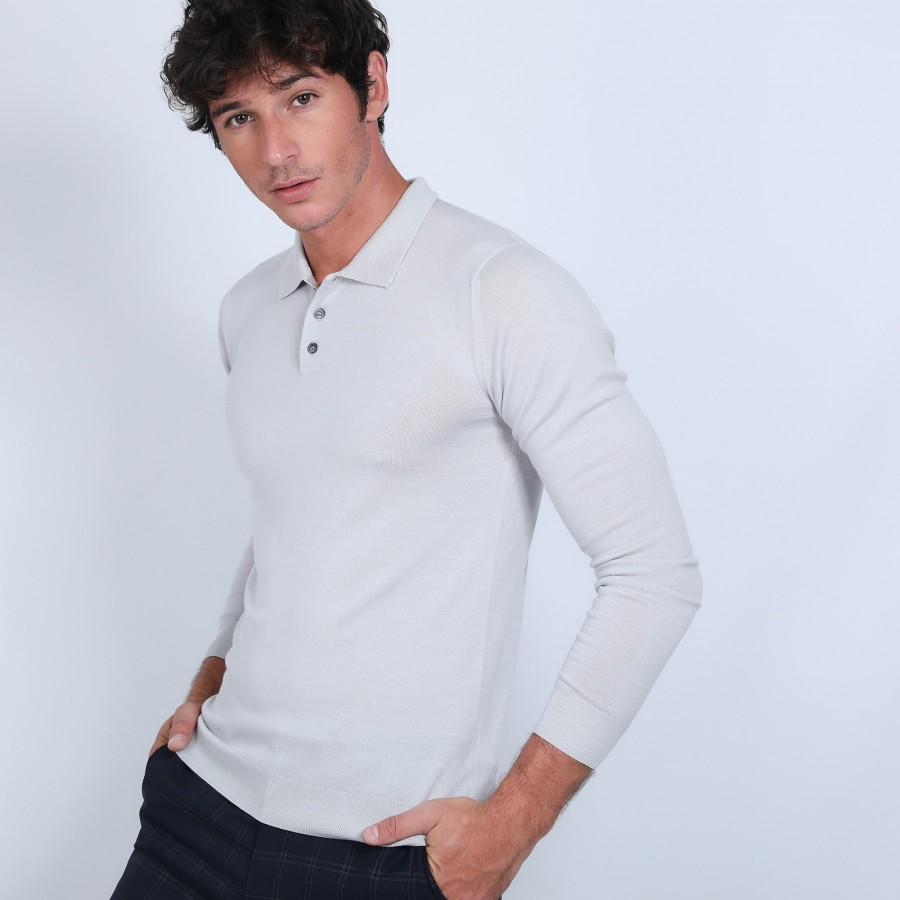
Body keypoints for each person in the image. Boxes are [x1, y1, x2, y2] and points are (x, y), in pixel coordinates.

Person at [111, 1, 703, 897]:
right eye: (238, 118)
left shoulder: (502, 292)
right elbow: (288, 521)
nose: (277, 151)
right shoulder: (246, 309)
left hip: (378, 850)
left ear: (373, 84)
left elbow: (653, 575)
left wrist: (512, 824)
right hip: (197, 812)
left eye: (300, 98)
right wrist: (211, 673)